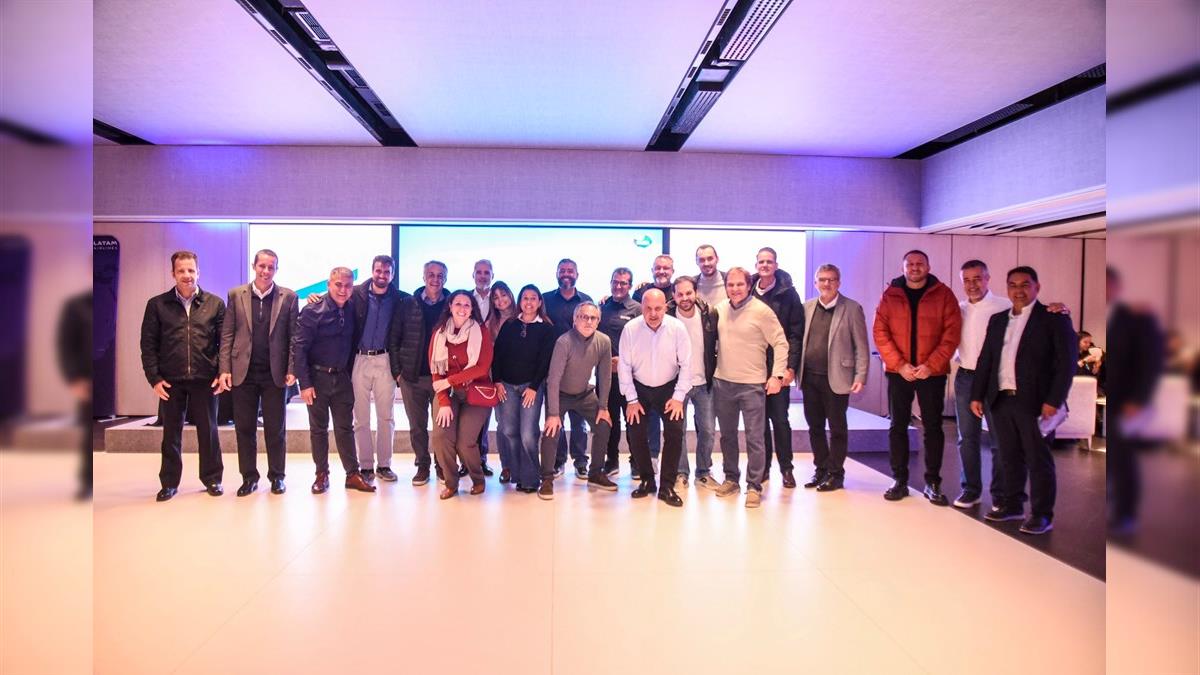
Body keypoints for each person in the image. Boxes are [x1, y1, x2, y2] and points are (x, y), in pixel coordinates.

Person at [970, 266, 1075, 535]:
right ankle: (1012, 505)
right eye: (1013, 285)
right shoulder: (997, 320)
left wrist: (1054, 400)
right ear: (1007, 288)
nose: (1019, 290)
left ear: (1037, 287)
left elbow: (1066, 364)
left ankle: (1042, 515)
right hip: (1001, 399)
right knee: (1009, 458)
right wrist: (977, 394)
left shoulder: (1053, 318)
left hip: (1036, 403)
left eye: (1025, 284)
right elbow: (986, 359)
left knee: (1038, 460)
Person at [873, 250, 961, 505]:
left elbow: (952, 334)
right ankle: (899, 480)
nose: (914, 268)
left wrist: (931, 366)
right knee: (897, 425)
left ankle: (933, 482)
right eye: (910, 264)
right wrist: (899, 365)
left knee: (933, 427)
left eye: (919, 263)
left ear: (928, 267)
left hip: (931, 373)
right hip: (899, 372)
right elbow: (880, 332)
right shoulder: (890, 294)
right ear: (903, 268)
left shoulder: (944, 295)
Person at [140, 251, 225, 502]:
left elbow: (225, 343)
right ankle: (169, 483)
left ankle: (212, 479)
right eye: (181, 271)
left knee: (209, 432)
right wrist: (154, 378)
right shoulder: (157, 305)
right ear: (173, 273)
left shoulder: (215, 304)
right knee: (171, 434)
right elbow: (148, 344)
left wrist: (221, 372)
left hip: (205, 378)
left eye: (191, 270)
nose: (187, 275)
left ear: (198, 272)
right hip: (170, 380)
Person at [217, 249, 299, 497]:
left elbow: (294, 337)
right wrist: (224, 369)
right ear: (254, 266)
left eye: (271, 267)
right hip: (244, 373)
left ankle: (277, 477)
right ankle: (249, 477)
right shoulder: (236, 294)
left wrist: (292, 368)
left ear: (276, 269)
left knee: (276, 429)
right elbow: (227, 334)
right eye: (262, 266)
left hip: (275, 374)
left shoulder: (288, 297)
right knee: (244, 429)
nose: (266, 271)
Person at [294, 267, 376, 495]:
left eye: (348, 285)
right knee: (318, 429)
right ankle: (321, 474)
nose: (343, 290)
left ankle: (352, 474)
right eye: (338, 284)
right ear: (328, 285)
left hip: (342, 379)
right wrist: (305, 384)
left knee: (345, 428)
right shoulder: (312, 310)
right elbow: (299, 348)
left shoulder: (353, 308)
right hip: (317, 379)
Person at [713, 267, 789, 509]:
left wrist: (777, 375)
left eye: (739, 284)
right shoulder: (720, 309)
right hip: (723, 382)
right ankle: (731, 479)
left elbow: (781, 342)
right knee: (727, 436)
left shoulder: (761, 311)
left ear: (748, 286)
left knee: (755, 438)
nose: (735, 289)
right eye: (730, 284)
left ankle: (754, 485)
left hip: (752, 385)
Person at [795, 264, 869, 492]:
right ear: (815, 282)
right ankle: (821, 469)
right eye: (822, 279)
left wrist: (861, 375)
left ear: (839, 282)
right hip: (810, 378)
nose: (826, 284)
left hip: (837, 378)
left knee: (837, 428)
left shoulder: (852, 308)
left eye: (831, 279)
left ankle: (836, 474)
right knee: (815, 426)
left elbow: (861, 346)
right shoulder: (806, 307)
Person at [1104, 266, 1164, 534]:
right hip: (1111, 397)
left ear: (1117, 287)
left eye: (1108, 284)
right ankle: (1113, 504)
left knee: (1123, 459)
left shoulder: (1138, 318)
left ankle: (1126, 514)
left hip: (1128, 402)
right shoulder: (1107, 317)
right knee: (1114, 458)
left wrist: (1139, 399)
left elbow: (1151, 363)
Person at [619, 289, 691, 507]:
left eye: (658, 308)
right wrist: (631, 400)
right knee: (635, 432)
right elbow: (624, 365)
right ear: (641, 307)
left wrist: (678, 397)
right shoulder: (630, 329)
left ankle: (667, 486)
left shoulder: (677, 328)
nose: (653, 313)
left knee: (675, 432)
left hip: (669, 388)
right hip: (639, 388)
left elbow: (686, 364)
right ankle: (647, 480)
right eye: (648, 308)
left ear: (665, 307)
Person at [539, 301, 614, 499]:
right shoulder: (564, 342)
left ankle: (595, 473)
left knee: (604, 425)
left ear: (598, 321)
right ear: (575, 319)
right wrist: (553, 414)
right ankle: (546, 478)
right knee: (551, 430)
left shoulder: (604, 341)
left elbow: (605, 376)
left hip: (584, 394)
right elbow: (553, 379)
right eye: (583, 317)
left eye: (593, 318)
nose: (588, 321)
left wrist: (603, 407)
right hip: (560, 393)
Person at [951, 259, 1012, 508]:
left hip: (995, 380)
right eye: (966, 280)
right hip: (966, 378)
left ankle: (1000, 495)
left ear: (988, 278)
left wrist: (1058, 308)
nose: (972, 285)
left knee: (1000, 440)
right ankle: (971, 490)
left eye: (977, 279)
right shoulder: (958, 309)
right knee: (967, 438)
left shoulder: (1005, 306)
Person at [346, 255, 409, 484]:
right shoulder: (356, 294)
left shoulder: (400, 299)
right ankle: (365, 466)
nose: (382, 275)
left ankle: (384, 465)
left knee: (386, 416)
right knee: (360, 418)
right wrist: (315, 298)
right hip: (359, 359)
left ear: (392, 274)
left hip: (385, 359)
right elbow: (333, 298)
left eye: (387, 272)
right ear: (372, 271)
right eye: (378, 271)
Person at [429, 290, 495, 500]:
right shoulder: (439, 334)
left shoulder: (481, 332)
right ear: (450, 306)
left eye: (467, 305)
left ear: (472, 309)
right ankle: (451, 483)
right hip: (447, 394)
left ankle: (478, 479)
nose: (462, 308)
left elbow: (482, 368)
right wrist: (443, 401)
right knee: (441, 437)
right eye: (458, 303)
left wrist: (450, 380)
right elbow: (436, 371)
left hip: (476, 393)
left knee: (465, 442)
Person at [390, 260, 449, 485]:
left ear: (445, 278)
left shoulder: (452, 304)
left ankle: (442, 465)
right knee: (417, 426)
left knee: (442, 427)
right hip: (412, 377)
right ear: (423, 277)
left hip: (441, 378)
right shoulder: (408, 303)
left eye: (440, 275)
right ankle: (422, 465)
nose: (435, 279)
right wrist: (398, 372)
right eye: (431, 275)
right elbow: (394, 338)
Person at [493, 284, 556, 493]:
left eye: (533, 298)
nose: (528, 302)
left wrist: (534, 387)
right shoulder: (510, 325)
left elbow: (545, 361)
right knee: (509, 431)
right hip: (507, 386)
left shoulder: (547, 328)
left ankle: (530, 479)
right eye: (525, 298)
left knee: (528, 434)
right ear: (520, 301)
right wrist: (497, 381)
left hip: (531, 387)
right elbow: (498, 355)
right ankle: (518, 474)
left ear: (539, 302)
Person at [751, 247, 805, 488]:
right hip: (753, 368)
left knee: (780, 420)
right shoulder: (749, 291)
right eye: (761, 261)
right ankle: (763, 468)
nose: (765, 265)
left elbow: (795, 334)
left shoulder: (789, 294)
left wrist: (790, 367)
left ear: (776, 265)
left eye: (769, 261)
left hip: (778, 368)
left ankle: (787, 468)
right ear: (756, 265)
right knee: (759, 423)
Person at [542, 258, 593, 479]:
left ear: (577, 275)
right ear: (556, 273)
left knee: (579, 421)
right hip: (552, 371)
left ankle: (581, 462)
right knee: (556, 418)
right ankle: (559, 460)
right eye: (562, 270)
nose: (566, 274)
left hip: (578, 369)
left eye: (570, 271)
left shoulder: (587, 301)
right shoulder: (545, 300)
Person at [668, 276, 719, 490]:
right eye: (680, 294)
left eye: (688, 293)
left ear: (695, 292)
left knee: (708, 430)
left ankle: (703, 472)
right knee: (677, 431)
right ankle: (681, 473)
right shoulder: (667, 316)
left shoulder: (709, 313)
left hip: (703, 383)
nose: (685, 298)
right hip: (676, 385)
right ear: (673, 296)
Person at [598, 267, 641, 478]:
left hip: (631, 377)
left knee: (633, 420)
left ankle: (637, 462)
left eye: (623, 283)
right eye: (615, 282)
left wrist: (623, 361)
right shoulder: (602, 308)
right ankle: (612, 460)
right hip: (606, 376)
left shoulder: (637, 309)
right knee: (610, 420)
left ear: (630, 286)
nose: (618, 286)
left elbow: (644, 343)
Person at [57, 291, 92, 500]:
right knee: (88, 432)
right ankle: (87, 482)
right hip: (86, 379)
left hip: (102, 369)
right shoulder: (76, 306)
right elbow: (65, 344)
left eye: (191, 273)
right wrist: (73, 378)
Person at [485, 281, 517, 481]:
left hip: (523, 379)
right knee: (504, 425)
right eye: (495, 297)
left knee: (521, 426)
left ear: (511, 295)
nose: (500, 300)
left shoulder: (524, 315)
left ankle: (522, 465)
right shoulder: (491, 323)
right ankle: (507, 466)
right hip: (500, 380)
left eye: (503, 295)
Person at [472, 260, 497, 474]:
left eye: (486, 273)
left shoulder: (498, 300)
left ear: (492, 276)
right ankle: (467, 461)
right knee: (468, 412)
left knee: (485, 412)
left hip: (491, 364)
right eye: (479, 272)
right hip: (468, 364)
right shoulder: (464, 299)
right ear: (473, 275)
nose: (482, 276)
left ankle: (481, 458)